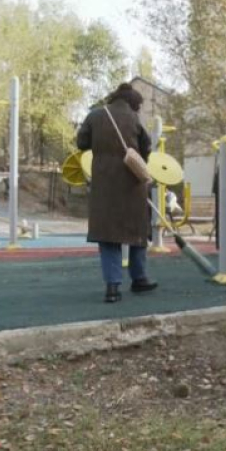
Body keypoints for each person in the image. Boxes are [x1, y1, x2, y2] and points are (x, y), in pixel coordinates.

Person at [77, 82, 157, 303]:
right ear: (134, 103)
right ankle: (139, 278)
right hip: (132, 185)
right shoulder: (134, 119)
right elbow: (146, 148)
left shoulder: (95, 116)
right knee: (137, 232)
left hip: (104, 184)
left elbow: (81, 143)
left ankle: (112, 287)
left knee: (108, 236)